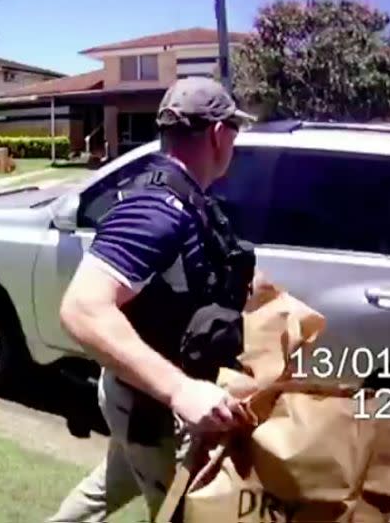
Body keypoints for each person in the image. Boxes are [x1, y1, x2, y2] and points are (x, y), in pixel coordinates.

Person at [47, 77, 262, 523]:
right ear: (220, 134)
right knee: (181, 513)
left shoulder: (189, 197)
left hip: (144, 398)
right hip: (149, 403)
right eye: (235, 134)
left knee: (113, 481)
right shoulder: (157, 207)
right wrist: (180, 389)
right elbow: (83, 308)